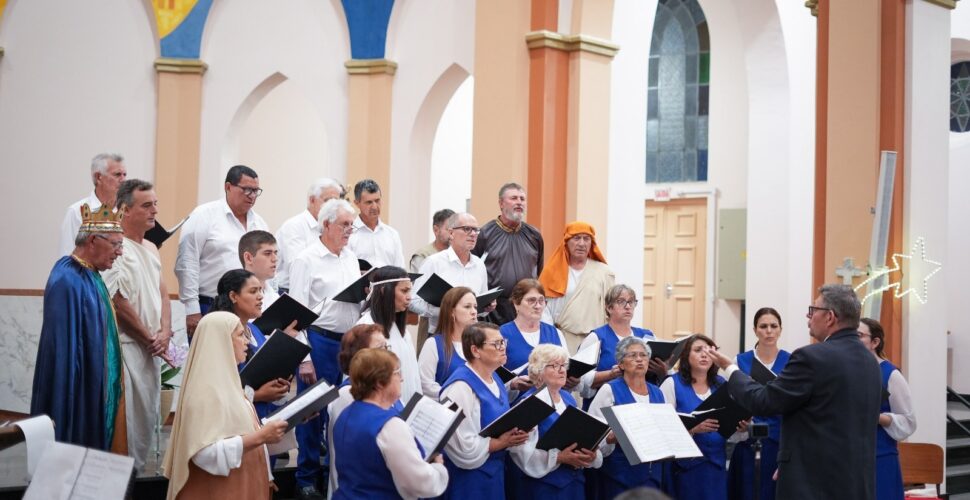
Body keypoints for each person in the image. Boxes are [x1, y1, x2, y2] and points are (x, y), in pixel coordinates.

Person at [707, 284, 883, 500]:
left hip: (815, 484)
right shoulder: (870, 361)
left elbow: (764, 400)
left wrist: (731, 369)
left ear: (829, 317)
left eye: (813, 310)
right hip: (855, 480)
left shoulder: (812, 357)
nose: (808, 317)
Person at [162, 312, 288, 500]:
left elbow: (245, 430)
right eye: (239, 335)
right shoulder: (205, 391)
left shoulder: (228, 383)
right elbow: (203, 453)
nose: (247, 341)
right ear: (220, 341)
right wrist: (261, 436)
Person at [31, 202, 126, 451]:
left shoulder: (91, 275)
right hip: (77, 391)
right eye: (116, 244)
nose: (120, 252)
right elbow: (63, 353)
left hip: (94, 385)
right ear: (93, 240)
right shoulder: (66, 278)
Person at [288, 198, 362, 499]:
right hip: (318, 341)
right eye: (345, 224)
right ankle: (306, 477)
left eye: (351, 225)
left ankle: (335, 472)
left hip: (348, 343)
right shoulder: (306, 259)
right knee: (312, 411)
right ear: (327, 223)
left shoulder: (351, 257)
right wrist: (304, 358)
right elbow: (295, 313)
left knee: (343, 409)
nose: (349, 230)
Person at [102, 179, 173, 469]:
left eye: (155, 203)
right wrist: (148, 338)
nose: (154, 210)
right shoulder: (116, 247)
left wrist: (165, 332)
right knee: (126, 420)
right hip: (128, 347)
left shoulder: (152, 248)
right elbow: (118, 301)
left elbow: (163, 293)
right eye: (146, 205)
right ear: (124, 210)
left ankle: (137, 472)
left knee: (146, 418)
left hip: (151, 347)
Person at [332, 348, 449, 499]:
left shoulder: (345, 414)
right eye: (397, 373)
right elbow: (419, 483)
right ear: (380, 383)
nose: (401, 379)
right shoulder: (390, 426)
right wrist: (438, 468)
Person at [439, 322, 530, 499]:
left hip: (493, 475)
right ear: (475, 350)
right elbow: (460, 444)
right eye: (496, 344)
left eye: (503, 342)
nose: (503, 348)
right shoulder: (460, 388)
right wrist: (501, 443)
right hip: (468, 483)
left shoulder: (494, 377)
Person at [176, 165, 268, 337]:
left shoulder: (259, 223)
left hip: (247, 309)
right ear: (228, 187)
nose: (252, 196)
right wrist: (192, 308)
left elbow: (267, 267)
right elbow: (187, 262)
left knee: (245, 362)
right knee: (213, 361)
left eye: (256, 191)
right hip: (210, 305)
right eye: (247, 190)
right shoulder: (204, 215)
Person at [509, 344, 601, 499]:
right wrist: (559, 457)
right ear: (538, 372)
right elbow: (521, 454)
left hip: (574, 484)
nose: (562, 370)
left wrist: (590, 453)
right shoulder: (529, 404)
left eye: (563, 365)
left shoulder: (568, 398)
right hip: (544, 488)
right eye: (554, 365)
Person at [588, 337, 668, 498]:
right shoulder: (609, 390)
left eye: (643, 355)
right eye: (632, 355)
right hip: (619, 475)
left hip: (652, 475)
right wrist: (612, 438)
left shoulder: (657, 392)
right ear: (621, 364)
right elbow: (592, 434)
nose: (639, 359)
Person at [209, 269, 293, 422]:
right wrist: (259, 394)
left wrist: (278, 384)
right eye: (253, 291)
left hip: (261, 416)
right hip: (235, 421)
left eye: (261, 290)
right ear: (233, 296)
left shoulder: (254, 330)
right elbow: (216, 389)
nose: (260, 296)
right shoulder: (222, 333)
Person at [660, 334, 735, 500]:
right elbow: (662, 429)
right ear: (686, 356)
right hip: (685, 469)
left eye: (709, 351)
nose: (704, 354)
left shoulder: (721, 384)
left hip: (716, 468)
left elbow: (732, 428)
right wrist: (691, 429)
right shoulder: (672, 384)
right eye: (698, 350)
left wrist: (740, 426)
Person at [727, 307, 791, 500]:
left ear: (780, 330)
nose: (769, 331)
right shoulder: (739, 361)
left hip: (779, 442)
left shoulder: (791, 361)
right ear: (755, 330)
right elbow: (730, 399)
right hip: (747, 441)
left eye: (773, 326)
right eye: (763, 326)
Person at [327, 324, 393, 499]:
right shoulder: (347, 394)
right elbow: (339, 457)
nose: (388, 354)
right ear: (361, 357)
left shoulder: (383, 386)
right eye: (381, 348)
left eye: (387, 347)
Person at [859, 318, 917, 500]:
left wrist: (877, 417)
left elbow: (908, 421)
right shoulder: (848, 371)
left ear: (875, 342)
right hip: (851, 459)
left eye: (859, 335)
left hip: (880, 458)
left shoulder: (891, 374)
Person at [577, 285, 662, 409]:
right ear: (609, 307)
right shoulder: (597, 337)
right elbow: (580, 380)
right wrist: (610, 374)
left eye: (631, 302)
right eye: (621, 301)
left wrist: (661, 371)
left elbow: (665, 373)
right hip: (605, 407)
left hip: (643, 405)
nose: (628, 306)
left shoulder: (647, 336)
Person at [472, 183, 545, 325]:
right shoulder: (485, 234)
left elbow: (539, 270)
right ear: (501, 203)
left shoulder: (534, 235)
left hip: (526, 308)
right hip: (493, 311)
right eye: (514, 198)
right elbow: (473, 269)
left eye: (522, 199)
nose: (519, 202)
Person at [539, 221, 615, 353]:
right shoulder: (552, 271)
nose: (581, 243)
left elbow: (612, 310)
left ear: (592, 244)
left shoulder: (604, 272)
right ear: (566, 242)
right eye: (576, 238)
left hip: (595, 342)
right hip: (561, 340)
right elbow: (544, 309)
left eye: (586, 239)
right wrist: (552, 339)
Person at [410, 212, 492, 334]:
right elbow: (413, 301)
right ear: (451, 233)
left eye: (476, 230)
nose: (473, 234)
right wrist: (443, 311)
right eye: (467, 229)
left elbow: (480, 307)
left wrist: (486, 307)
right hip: (441, 333)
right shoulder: (434, 262)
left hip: (470, 335)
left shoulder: (479, 265)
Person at [357, 266, 421, 403]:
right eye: (404, 291)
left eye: (410, 291)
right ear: (383, 291)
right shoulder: (366, 329)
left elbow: (413, 375)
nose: (409, 297)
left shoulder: (401, 329)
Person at [498, 279, 568, 393]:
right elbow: (491, 380)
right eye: (531, 301)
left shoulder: (555, 333)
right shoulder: (502, 334)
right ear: (516, 303)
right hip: (518, 404)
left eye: (541, 301)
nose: (538, 306)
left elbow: (566, 368)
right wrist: (512, 384)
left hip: (552, 401)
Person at [276, 178, 344, 294]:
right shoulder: (294, 226)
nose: (332, 207)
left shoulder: (333, 227)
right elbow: (298, 268)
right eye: (328, 201)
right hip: (292, 292)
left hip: (324, 290)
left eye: (336, 202)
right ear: (312, 200)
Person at [59, 153, 127, 256]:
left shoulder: (129, 211)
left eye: (124, 175)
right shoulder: (76, 211)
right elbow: (66, 256)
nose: (123, 180)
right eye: (117, 175)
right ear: (99, 177)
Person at [417, 287, 477, 397]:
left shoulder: (479, 344)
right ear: (451, 311)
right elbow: (425, 384)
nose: (474, 312)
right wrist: (456, 398)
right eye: (467, 307)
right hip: (446, 409)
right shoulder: (433, 344)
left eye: (475, 307)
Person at [410, 208, 456, 351]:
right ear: (436, 230)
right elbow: (417, 295)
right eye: (449, 229)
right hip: (432, 322)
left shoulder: (461, 255)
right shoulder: (423, 256)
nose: (452, 233)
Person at [347, 179, 406, 268]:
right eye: (369, 202)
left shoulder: (392, 234)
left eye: (377, 201)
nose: (374, 206)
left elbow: (400, 270)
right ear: (357, 203)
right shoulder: (348, 234)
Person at [238, 230, 281, 311]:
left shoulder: (275, 297)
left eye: (275, 253)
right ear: (248, 258)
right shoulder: (236, 298)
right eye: (268, 253)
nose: (275, 259)